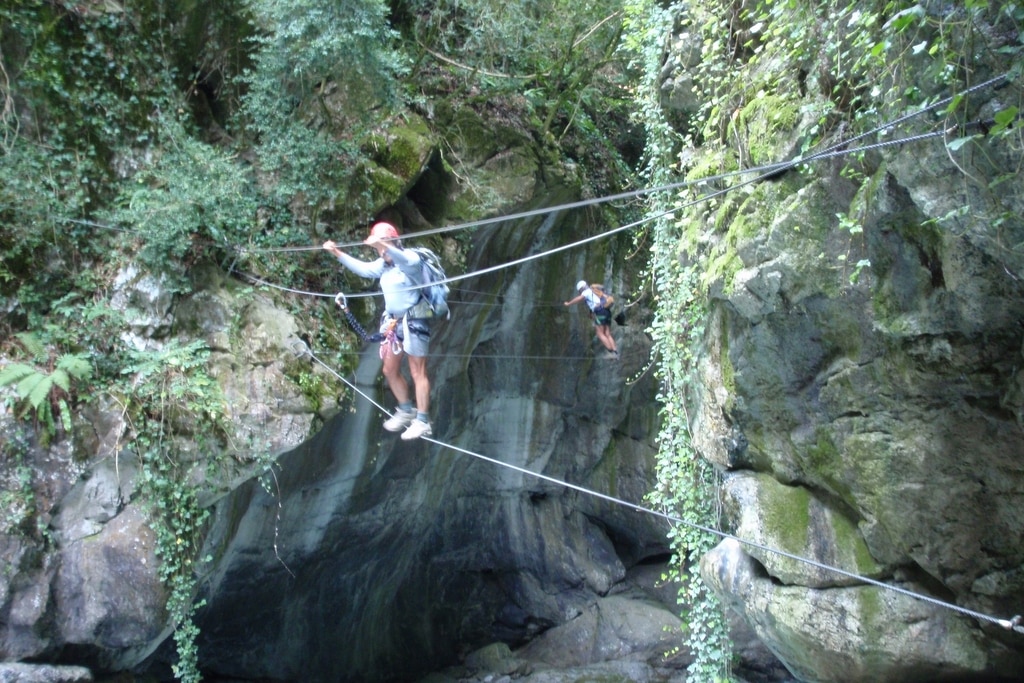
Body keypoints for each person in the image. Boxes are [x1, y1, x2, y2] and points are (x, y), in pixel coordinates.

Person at [323, 222, 433, 440]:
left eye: (384, 246)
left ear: (394, 241)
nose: (382, 252)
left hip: (414, 322)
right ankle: (406, 409)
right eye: (378, 249)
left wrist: (384, 244)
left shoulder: (410, 259)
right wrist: (336, 252)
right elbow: (363, 269)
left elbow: (404, 258)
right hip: (394, 325)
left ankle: (423, 421)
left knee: (417, 372)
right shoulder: (384, 265)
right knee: (389, 370)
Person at [564, 280, 620, 359]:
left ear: (581, 289)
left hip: (600, 313)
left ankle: (611, 352)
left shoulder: (586, 291)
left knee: (600, 333)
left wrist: (569, 303)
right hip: (607, 311)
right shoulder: (594, 291)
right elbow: (595, 302)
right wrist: (591, 313)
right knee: (607, 333)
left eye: (580, 291)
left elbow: (579, 298)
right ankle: (616, 352)